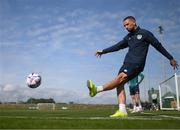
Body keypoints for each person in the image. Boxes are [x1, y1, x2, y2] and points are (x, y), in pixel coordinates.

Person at [87, 16, 179, 117]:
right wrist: (104, 51)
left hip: (137, 63)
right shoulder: (129, 37)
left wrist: (170, 58)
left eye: (127, 24)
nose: (125, 27)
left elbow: (158, 45)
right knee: (119, 84)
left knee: (120, 78)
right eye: (124, 26)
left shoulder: (145, 33)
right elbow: (118, 46)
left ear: (134, 23)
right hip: (126, 63)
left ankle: (97, 89)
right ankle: (122, 111)